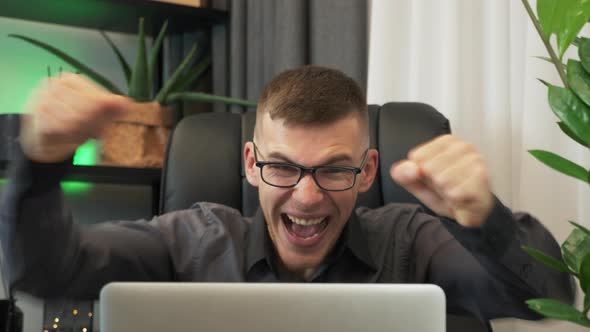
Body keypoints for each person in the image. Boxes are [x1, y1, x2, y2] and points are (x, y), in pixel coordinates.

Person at [0, 65, 574, 323]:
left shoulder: (412, 239)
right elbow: (46, 272)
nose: (305, 197)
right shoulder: (192, 239)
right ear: (250, 164)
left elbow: (540, 299)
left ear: (369, 170)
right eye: (282, 167)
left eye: (333, 170)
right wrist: (41, 164)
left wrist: (487, 219)